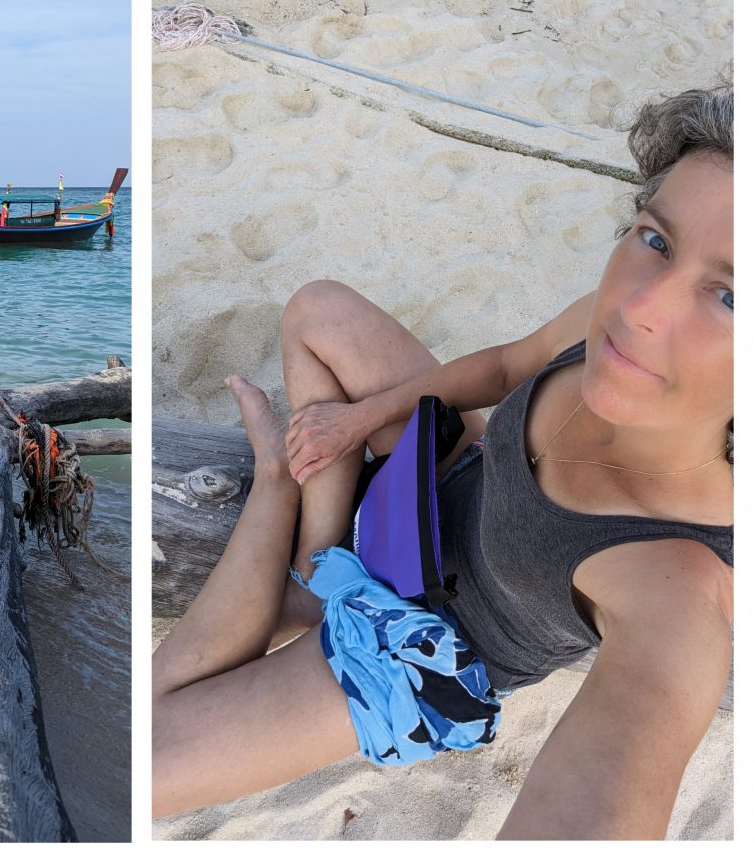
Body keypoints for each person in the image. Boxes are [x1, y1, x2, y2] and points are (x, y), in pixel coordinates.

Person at [152, 83, 733, 839]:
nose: (642, 307)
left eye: (729, 296)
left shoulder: (681, 588)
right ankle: (317, 569)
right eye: (656, 239)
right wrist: (360, 417)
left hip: (426, 644)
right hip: (444, 478)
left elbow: (623, 769)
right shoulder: (607, 322)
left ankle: (278, 492)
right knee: (319, 308)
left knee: (152, 756)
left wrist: (280, 474)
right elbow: (500, 368)